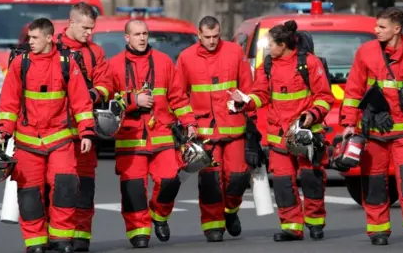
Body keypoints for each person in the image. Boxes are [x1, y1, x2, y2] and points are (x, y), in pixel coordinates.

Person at [0, 18, 95, 253]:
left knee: (65, 186)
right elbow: (8, 103)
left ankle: (61, 239)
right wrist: (3, 132)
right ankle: (35, 242)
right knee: (29, 194)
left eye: (35, 38)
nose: (30, 42)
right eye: (29, 38)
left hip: (60, 139)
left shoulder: (67, 63)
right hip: (28, 141)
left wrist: (86, 131)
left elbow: (81, 101)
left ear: (49, 38)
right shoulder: (20, 63)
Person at [230, 20, 335, 241]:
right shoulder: (267, 66)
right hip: (279, 136)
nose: (268, 48)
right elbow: (260, 95)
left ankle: (315, 223)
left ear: (284, 45)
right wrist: (244, 101)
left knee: (311, 178)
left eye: (271, 44)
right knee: (283, 184)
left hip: (306, 135)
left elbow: (325, 98)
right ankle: (291, 227)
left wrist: (312, 115)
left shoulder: (310, 63)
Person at [339, 7, 403, 246]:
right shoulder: (365, 53)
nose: (376, 31)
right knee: (374, 183)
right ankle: (378, 230)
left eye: (381, 27)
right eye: (376, 26)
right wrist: (349, 123)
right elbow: (353, 91)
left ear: (397, 28)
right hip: (372, 132)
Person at [109, 19, 197, 249]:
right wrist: (131, 101)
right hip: (130, 138)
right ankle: (139, 232)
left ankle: (159, 215)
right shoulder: (114, 65)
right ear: (126, 38)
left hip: (162, 135)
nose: (141, 38)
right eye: (136, 34)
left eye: (145, 33)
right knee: (134, 191)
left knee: (170, 181)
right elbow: (107, 101)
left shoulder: (164, 62)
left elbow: (178, 98)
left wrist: (189, 123)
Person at [175, 16, 254, 242]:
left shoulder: (234, 52)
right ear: (199, 35)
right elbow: (178, 96)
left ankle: (231, 211)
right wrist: (187, 123)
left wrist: (250, 112)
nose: (212, 41)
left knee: (238, 177)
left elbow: (248, 87)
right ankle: (213, 227)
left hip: (234, 127)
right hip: (205, 133)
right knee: (210, 182)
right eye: (207, 37)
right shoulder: (186, 58)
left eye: (216, 36)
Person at [55, 2, 113, 252]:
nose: (89, 33)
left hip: (85, 131)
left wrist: (91, 94)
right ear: (71, 23)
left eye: (92, 28)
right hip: (55, 131)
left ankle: (80, 236)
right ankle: (56, 237)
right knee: (58, 187)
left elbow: (105, 84)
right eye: (85, 28)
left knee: (85, 187)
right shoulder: (51, 48)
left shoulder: (95, 53)